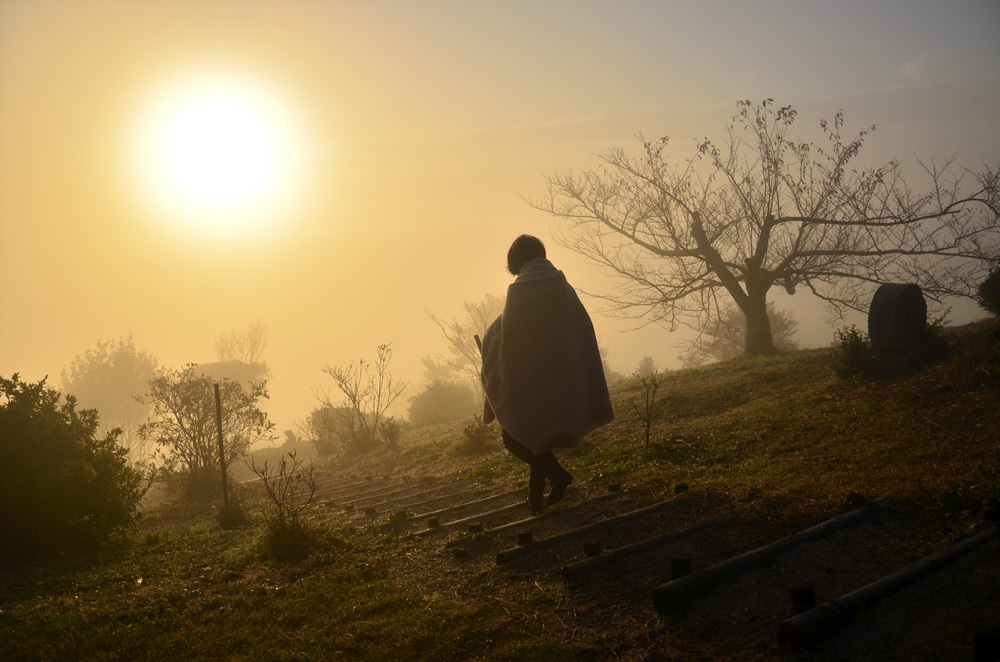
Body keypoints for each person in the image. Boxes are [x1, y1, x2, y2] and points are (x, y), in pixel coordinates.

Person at [480, 234, 614, 515]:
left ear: (514, 263)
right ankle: (536, 501)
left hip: (531, 383)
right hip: (564, 381)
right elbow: (580, 330)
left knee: (515, 436)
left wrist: (492, 342)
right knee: (534, 440)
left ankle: (557, 476)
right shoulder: (562, 286)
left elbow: (512, 339)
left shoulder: (519, 291)